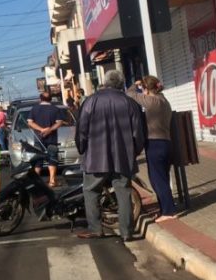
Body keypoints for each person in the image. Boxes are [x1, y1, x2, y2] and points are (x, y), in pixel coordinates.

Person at [74, 70, 146, 241]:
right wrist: (135, 151)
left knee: (91, 191)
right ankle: (127, 232)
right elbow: (139, 133)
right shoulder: (130, 103)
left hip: (96, 157)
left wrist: (82, 148)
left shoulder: (90, 102)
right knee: (123, 192)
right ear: (121, 84)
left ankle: (95, 228)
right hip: (123, 157)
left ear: (105, 82)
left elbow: (81, 130)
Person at [129, 76, 178, 222]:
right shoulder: (164, 100)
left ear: (146, 89)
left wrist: (135, 84)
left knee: (157, 180)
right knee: (162, 178)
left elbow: (130, 93)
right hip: (166, 143)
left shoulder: (151, 101)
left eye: (143, 89)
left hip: (155, 144)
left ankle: (169, 211)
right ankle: (165, 209)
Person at [27, 91, 68, 187]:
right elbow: (59, 122)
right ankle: (52, 181)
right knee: (52, 158)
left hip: (38, 138)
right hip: (52, 139)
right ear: (51, 99)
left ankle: (36, 182)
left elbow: (30, 122)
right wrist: (50, 129)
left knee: (38, 160)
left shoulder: (34, 109)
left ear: (40, 99)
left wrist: (41, 129)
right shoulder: (55, 109)